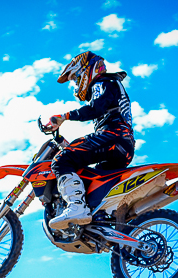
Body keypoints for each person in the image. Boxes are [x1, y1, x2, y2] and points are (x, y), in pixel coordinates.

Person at [44, 51, 134, 230]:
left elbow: (94, 109)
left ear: (86, 71)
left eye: (76, 78)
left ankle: (76, 207)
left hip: (113, 136)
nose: (76, 84)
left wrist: (64, 117)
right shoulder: (111, 84)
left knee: (61, 160)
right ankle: (102, 225)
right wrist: (60, 140)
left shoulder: (103, 82)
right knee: (93, 184)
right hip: (123, 144)